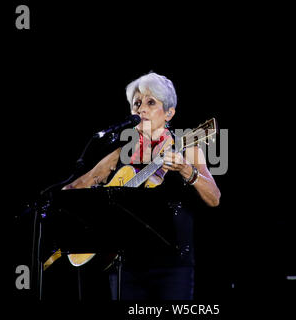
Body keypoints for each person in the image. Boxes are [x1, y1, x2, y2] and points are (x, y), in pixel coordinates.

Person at [63, 72, 221, 300]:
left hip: (173, 267)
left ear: (169, 113)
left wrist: (187, 169)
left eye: (150, 102)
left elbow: (214, 197)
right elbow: (77, 187)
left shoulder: (188, 148)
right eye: (137, 103)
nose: (141, 109)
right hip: (127, 266)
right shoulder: (121, 152)